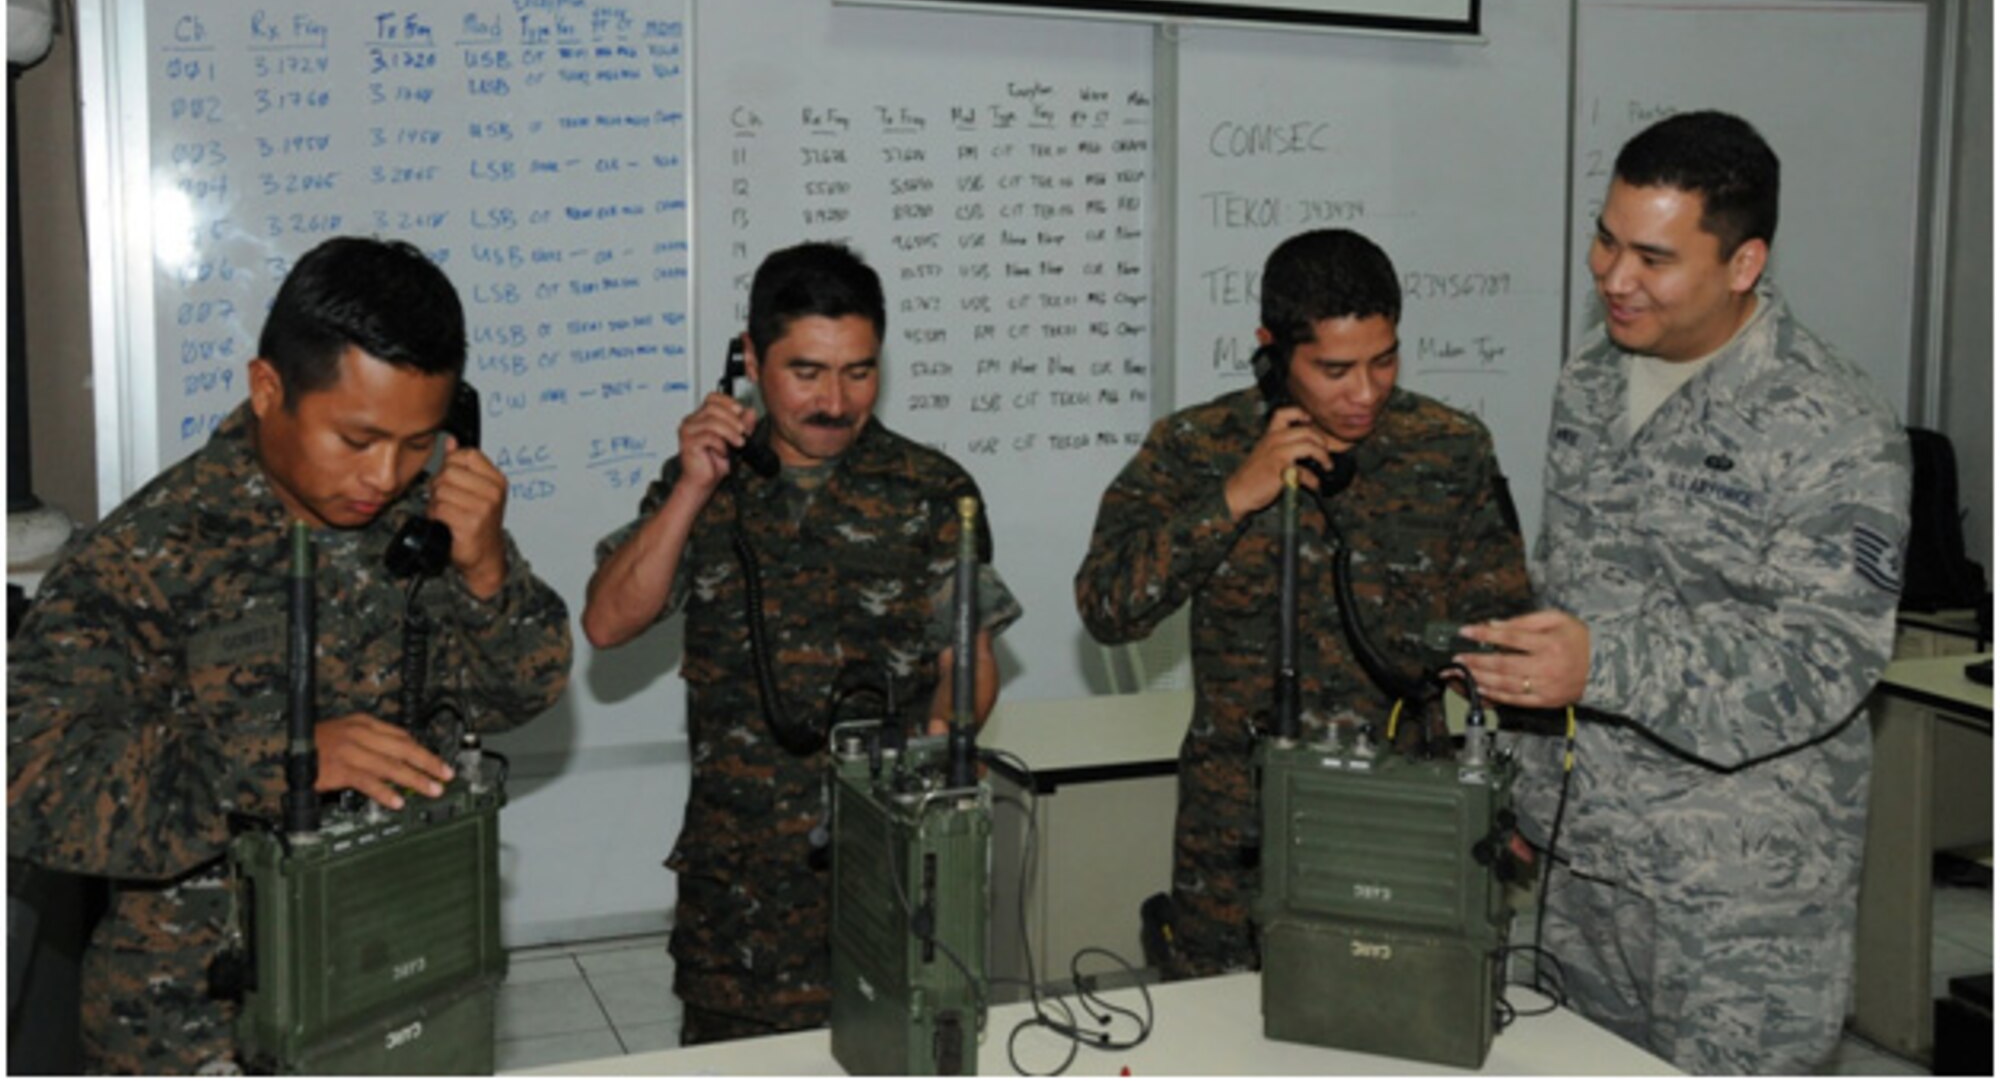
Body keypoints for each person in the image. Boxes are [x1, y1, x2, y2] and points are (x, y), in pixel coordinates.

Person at [6, 236, 573, 1074]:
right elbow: (36, 791)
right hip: (199, 1025)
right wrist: (282, 762)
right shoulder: (146, 555)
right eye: (357, 438)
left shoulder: (424, 517)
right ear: (269, 389)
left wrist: (485, 571)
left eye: (420, 442)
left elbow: (525, 688)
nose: (385, 473)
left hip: (399, 978)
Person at [1455, 111, 1912, 1074]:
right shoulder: (1589, 381)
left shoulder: (1833, 422)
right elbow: (1570, 585)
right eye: (1607, 239)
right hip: (1590, 866)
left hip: (1740, 895)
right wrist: (1531, 803)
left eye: (1654, 257)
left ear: (1743, 263)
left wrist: (1601, 663)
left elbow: (1824, 660)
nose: (1614, 277)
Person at [583, 240, 1019, 1044]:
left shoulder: (933, 491)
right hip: (738, 894)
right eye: (807, 371)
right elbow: (608, 622)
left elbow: (970, 664)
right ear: (748, 358)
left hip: (889, 875)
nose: (836, 400)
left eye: (859, 370)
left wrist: (927, 761)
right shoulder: (709, 483)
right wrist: (691, 488)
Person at [1074, 228, 1532, 978]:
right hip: (1236, 838)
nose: (1365, 391)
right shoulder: (1195, 445)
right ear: (1271, 349)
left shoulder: (1448, 448)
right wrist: (1233, 496)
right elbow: (1106, 605)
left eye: (1384, 359)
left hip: (1402, 822)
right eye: (1335, 368)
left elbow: (1505, 633)